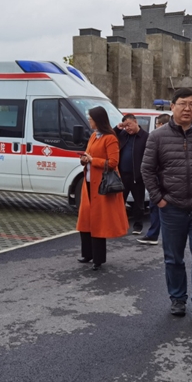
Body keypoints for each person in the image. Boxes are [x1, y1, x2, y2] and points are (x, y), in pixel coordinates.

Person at [141, 88, 192, 324]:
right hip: (172, 207)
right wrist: (159, 199)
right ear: (172, 106)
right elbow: (147, 170)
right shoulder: (157, 137)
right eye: (183, 104)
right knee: (173, 257)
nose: (187, 108)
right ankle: (177, 299)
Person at [76, 107, 129, 270]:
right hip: (88, 183)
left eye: (91, 119)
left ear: (98, 120)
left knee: (98, 221)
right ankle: (87, 253)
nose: (89, 121)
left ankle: (98, 259)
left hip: (101, 185)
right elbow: (89, 155)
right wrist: (84, 160)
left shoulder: (110, 138)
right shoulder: (93, 136)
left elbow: (113, 162)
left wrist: (93, 160)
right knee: (86, 219)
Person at [138, 113, 170, 245]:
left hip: (159, 178)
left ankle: (153, 235)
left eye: (157, 124)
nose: (156, 126)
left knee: (156, 206)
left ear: (160, 124)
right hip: (169, 180)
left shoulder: (157, 138)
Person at [114, 113, 149, 235]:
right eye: (125, 126)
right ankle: (119, 225)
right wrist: (118, 128)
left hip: (137, 176)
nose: (127, 128)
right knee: (119, 202)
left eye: (129, 125)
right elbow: (110, 135)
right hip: (122, 175)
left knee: (139, 203)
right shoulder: (123, 135)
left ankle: (138, 226)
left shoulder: (145, 137)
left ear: (135, 122)